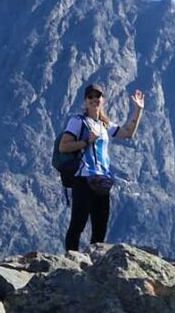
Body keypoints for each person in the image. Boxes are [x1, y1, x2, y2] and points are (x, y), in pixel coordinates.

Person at [59, 84, 145, 251]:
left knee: (100, 225)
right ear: (85, 101)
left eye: (97, 96)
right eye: (90, 96)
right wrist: (86, 141)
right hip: (83, 179)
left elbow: (128, 133)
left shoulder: (105, 125)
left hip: (102, 181)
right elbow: (64, 146)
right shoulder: (78, 121)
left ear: (103, 99)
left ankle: (95, 260)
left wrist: (138, 110)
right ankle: (71, 259)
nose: (94, 99)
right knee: (78, 222)